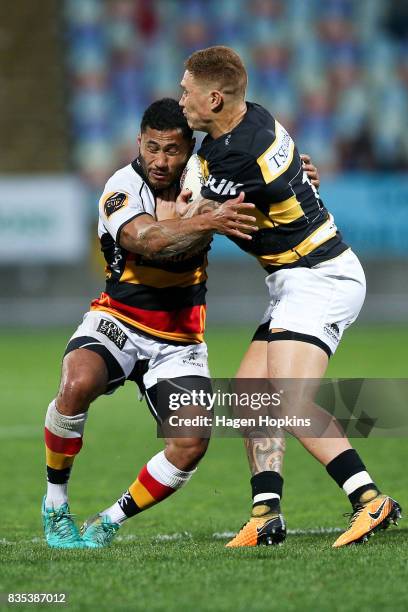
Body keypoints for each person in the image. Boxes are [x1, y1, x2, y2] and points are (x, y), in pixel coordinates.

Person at [179, 46, 401, 548]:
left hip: (320, 275)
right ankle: (266, 513)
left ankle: (369, 500)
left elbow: (188, 219)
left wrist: (182, 205)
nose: (181, 100)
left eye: (186, 91)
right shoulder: (246, 122)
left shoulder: (238, 152)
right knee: (249, 395)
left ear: (215, 98)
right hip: (294, 278)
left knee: (291, 399)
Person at [42, 98, 258, 549]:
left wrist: (299, 176)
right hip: (118, 320)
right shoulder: (121, 188)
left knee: (192, 442)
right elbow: (148, 240)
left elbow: (266, 179)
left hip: (180, 338)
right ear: (139, 142)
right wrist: (209, 221)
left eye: (172, 150)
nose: (161, 161)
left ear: (189, 148)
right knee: (77, 383)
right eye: (152, 148)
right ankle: (55, 504)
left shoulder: (207, 178)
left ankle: (109, 521)